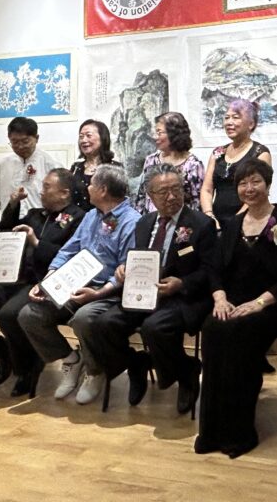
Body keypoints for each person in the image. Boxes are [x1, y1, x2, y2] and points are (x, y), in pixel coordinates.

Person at [81, 164, 217, 412]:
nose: (172, 197)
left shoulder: (201, 224)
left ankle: (186, 372)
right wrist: (124, 268)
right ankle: (136, 364)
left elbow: (211, 271)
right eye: (163, 192)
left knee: (154, 328)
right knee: (102, 324)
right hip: (143, 293)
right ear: (150, 196)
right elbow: (137, 258)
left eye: (176, 189)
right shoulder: (143, 223)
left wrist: (182, 283)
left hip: (183, 296)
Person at [195, 159, 277, 458]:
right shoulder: (231, 225)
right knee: (213, 328)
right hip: (233, 303)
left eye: (255, 181)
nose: (249, 188)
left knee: (241, 335)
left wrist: (258, 303)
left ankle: (240, 433)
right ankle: (212, 432)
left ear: (268, 183)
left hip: (271, 306)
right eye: (243, 183)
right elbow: (214, 268)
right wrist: (219, 298)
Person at [0, 168, 85, 397]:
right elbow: (5, 230)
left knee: (9, 316)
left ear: (64, 193)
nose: (41, 191)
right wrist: (12, 204)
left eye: (47, 187)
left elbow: (71, 258)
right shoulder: (35, 214)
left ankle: (26, 370)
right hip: (10, 278)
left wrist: (36, 241)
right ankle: (3, 354)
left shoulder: (78, 218)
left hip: (41, 281)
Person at [17, 165, 138, 405]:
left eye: (91, 184)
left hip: (107, 292)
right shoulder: (91, 215)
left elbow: (126, 270)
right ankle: (71, 359)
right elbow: (68, 249)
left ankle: (95, 371)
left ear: (102, 190)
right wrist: (50, 280)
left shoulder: (131, 221)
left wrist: (97, 293)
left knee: (83, 319)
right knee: (29, 314)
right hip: (74, 283)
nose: (87, 188)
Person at [200, 99, 272, 229]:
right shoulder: (218, 153)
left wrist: (235, 221)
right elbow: (207, 189)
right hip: (215, 223)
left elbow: (259, 193)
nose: (229, 122)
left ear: (251, 124)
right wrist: (209, 216)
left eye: (235, 117)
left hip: (247, 222)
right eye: (226, 118)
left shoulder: (260, 153)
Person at [132, 112, 205, 214]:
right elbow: (142, 196)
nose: (154, 137)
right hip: (152, 223)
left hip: (181, 225)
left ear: (174, 134)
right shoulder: (151, 160)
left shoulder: (193, 164)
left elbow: (197, 202)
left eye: (159, 132)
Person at [0, 116, 58, 216]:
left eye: (25, 141)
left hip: (40, 223)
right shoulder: (3, 165)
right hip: (10, 223)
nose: (20, 146)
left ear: (36, 138)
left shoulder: (51, 164)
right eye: (15, 142)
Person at [70, 119, 121, 212]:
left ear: (102, 138)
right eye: (81, 137)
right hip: (77, 222)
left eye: (88, 136)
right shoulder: (75, 168)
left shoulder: (114, 168)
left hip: (105, 222)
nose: (84, 140)